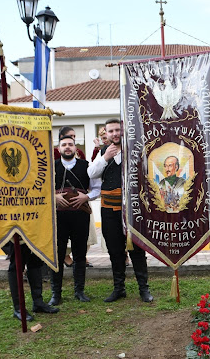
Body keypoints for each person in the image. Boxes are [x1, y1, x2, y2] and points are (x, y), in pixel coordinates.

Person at [88, 118, 153, 302]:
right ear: (106, 134)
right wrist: (106, 157)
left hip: (132, 210)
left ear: (123, 131)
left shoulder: (135, 150)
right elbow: (91, 174)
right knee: (115, 251)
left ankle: (144, 288)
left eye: (118, 130)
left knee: (137, 250)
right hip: (109, 211)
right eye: (111, 131)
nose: (115, 133)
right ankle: (119, 288)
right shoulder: (102, 153)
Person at [48, 133, 101, 306]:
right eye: (64, 145)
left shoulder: (86, 166)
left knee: (80, 255)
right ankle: (56, 293)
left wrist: (86, 197)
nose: (67, 147)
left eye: (70, 144)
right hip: (58, 217)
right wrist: (53, 197)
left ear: (75, 148)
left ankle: (79, 291)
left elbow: (96, 189)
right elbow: (41, 188)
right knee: (57, 254)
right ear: (59, 149)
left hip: (80, 215)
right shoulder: (50, 167)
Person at [7, 242, 59, 321]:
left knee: (35, 261)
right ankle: (19, 309)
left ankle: (38, 303)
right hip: (18, 233)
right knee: (16, 264)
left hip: (34, 232)